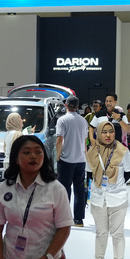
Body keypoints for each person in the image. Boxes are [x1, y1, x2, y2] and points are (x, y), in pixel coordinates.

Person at [85, 120, 130, 259]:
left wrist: (116, 184)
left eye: (111, 131)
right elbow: (89, 173)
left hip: (117, 197)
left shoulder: (122, 151)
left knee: (117, 233)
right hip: (98, 197)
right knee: (100, 232)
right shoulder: (92, 151)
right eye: (104, 132)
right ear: (98, 133)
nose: (108, 135)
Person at [54, 95, 89, 227]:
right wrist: (85, 156)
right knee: (79, 189)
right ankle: (79, 219)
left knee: (64, 190)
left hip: (66, 159)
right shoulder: (83, 121)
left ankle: (64, 217)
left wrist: (58, 156)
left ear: (66, 105)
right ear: (77, 106)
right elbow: (85, 141)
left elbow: (59, 140)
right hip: (80, 159)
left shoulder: (62, 120)